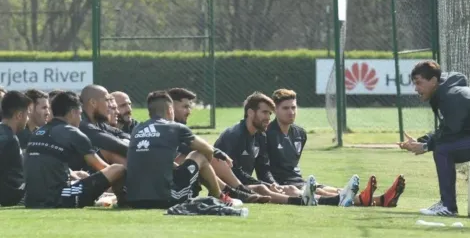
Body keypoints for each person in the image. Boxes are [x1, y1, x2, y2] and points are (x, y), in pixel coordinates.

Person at [214, 91, 359, 207]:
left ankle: (349, 198)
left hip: (245, 185)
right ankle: (319, 201)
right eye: (264, 112)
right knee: (266, 189)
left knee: (271, 188)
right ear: (251, 113)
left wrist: (270, 185)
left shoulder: (259, 136)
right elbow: (231, 170)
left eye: (269, 114)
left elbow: (261, 168)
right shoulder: (235, 135)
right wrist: (266, 184)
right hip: (226, 188)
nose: (268, 118)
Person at [268, 88, 406, 208]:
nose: (291, 112)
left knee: (332, 189)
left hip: (299, 180)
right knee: (322, 192)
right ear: (275, 110)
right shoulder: (267, 133)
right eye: (285, 108)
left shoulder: (300, 134)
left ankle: (381, 199)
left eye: (293, 107)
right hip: (282, 184)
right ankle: (379, 200)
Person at [126, 91, 234, 209]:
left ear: (150, 112)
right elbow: (207, 150)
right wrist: (201, 171)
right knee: (199, 156)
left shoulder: (137, 129)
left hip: (133, 199)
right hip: (165, 199)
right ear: (170, 110)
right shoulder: (175, 127)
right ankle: (219, 196)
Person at [24, 91, 126, 208]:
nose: (80, 119)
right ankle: (124, 202)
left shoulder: (37, 132)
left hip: (31, 199)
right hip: (59, 198)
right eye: (80, 114)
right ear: (73, 113)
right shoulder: (73, 132)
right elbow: (102, 167)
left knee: (82, 175)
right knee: (118, 169)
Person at [168, 87, 270, 203]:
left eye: (189, 107)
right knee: (199, 155)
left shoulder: (170, 128)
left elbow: (191, 145)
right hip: (168, 187)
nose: (189, 111)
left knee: (206, 155)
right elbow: (189, 147)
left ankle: (237, 190)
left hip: (171, 179)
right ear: (170, 107)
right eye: (185, 107)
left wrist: (217, 153)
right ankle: (232, 191)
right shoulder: (166, 128)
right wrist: (217, 153)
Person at [399, 60, 470, 216]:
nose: (416, 89)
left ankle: (448, 207)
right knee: (442, 147)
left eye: (419, 83)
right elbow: (446, 129)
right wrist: (424, 141)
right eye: (414, 83)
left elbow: (450, 133)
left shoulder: (451, 98)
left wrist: (425, 147)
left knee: (442, 150)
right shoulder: (444, 91)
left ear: (433, 81)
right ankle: (446, 204)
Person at [79, 85, 129, 166]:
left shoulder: (98, 123)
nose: (110, 105)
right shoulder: (83, 125)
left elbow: (121, 134)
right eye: (107, 100)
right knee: (110, 153)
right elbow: (117, 146)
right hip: (80, 174)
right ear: (93, 103)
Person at [0, 91, 32, 206]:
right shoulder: (10, 139)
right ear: (19, 115)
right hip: (11, 197)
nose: (28, 119)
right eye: (27, 114)